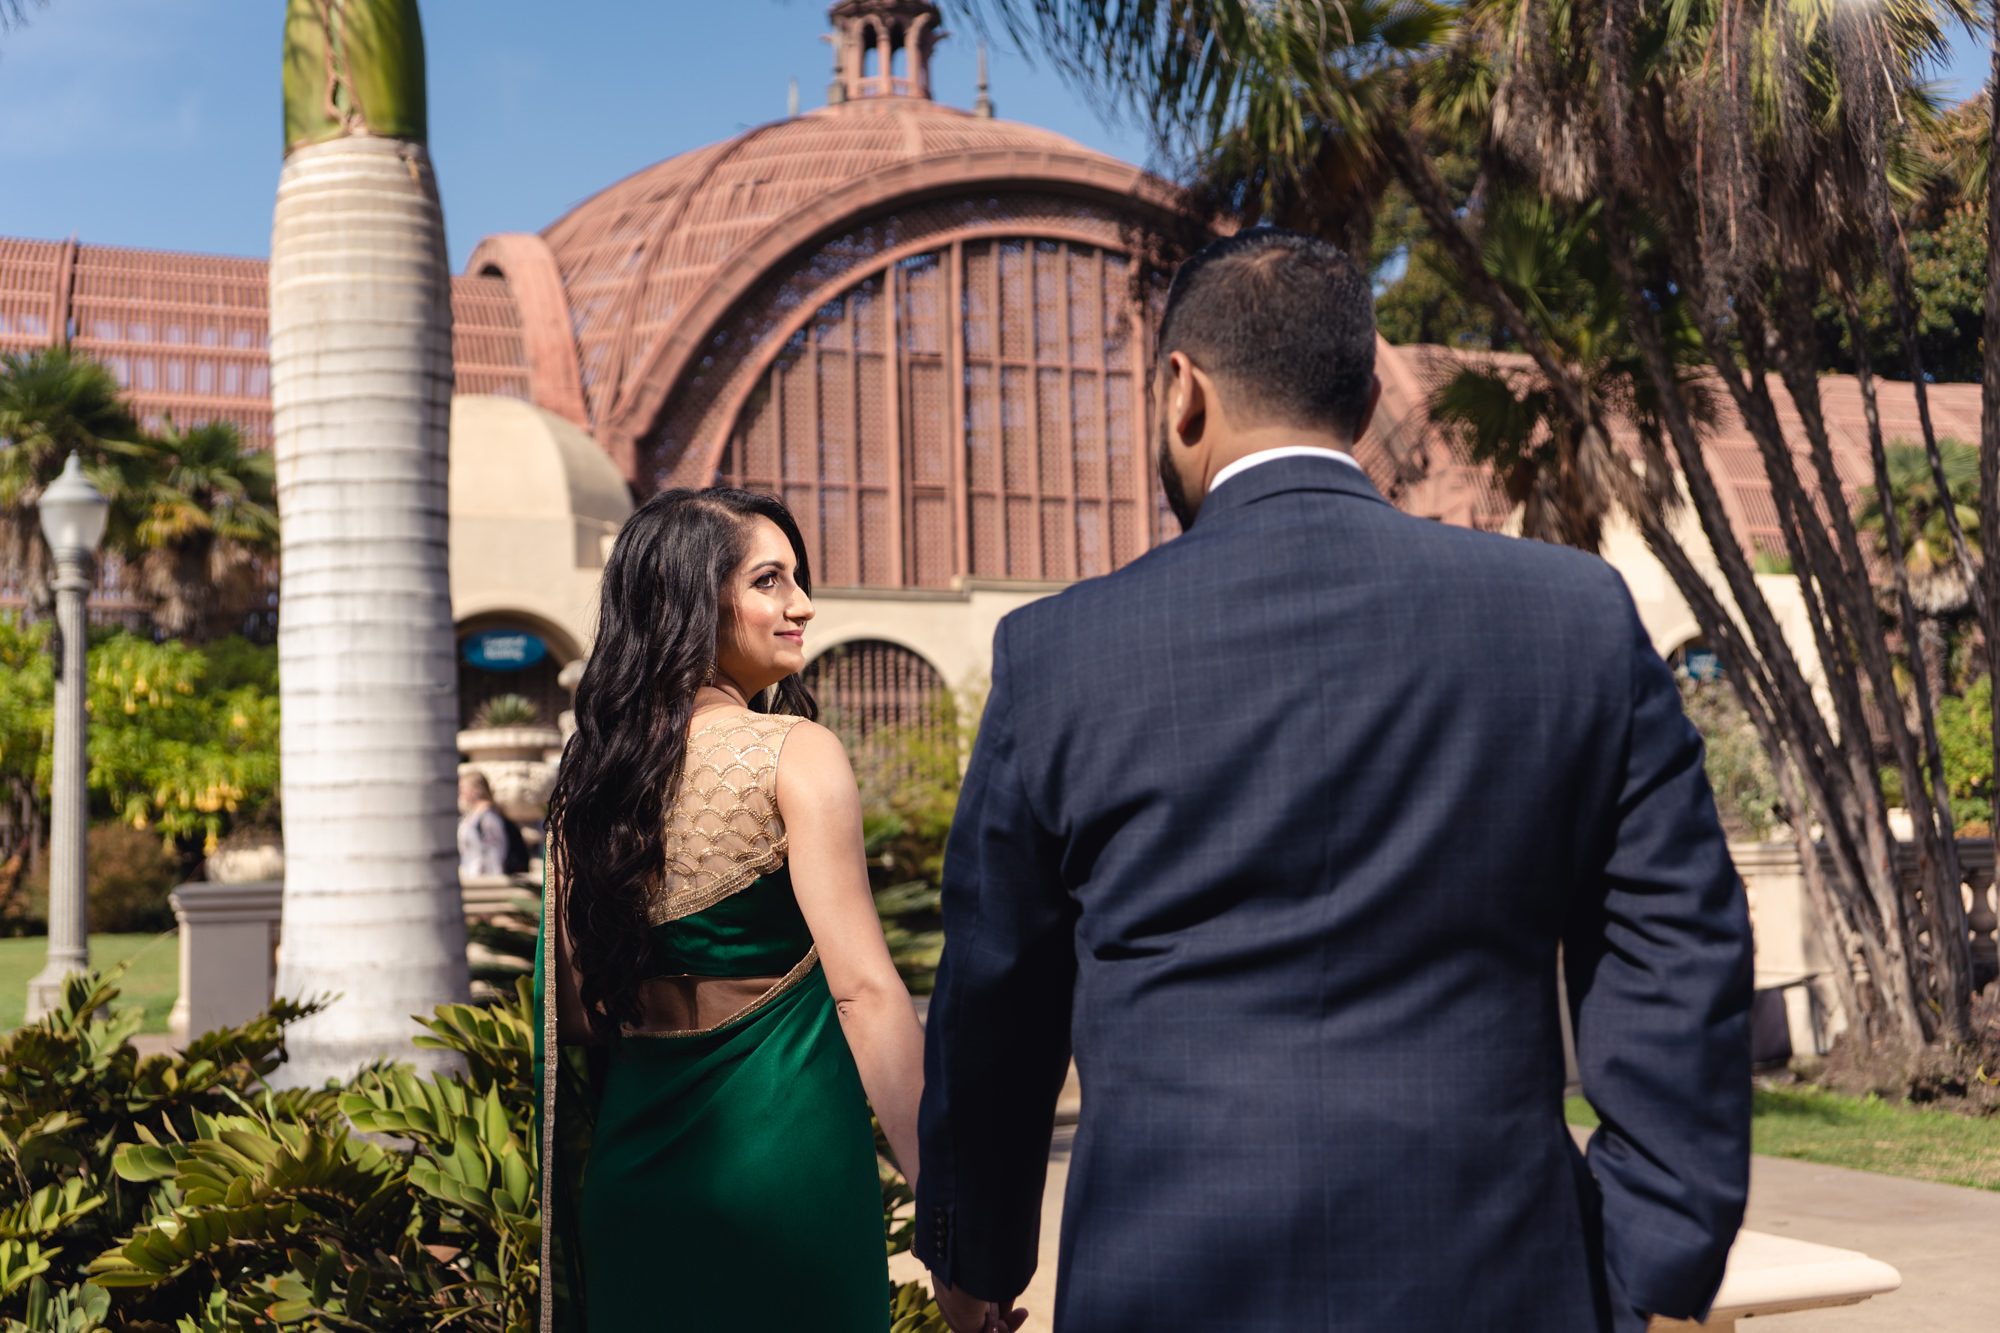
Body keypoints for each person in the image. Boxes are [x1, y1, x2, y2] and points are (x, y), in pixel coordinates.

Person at [915, 228, 1754, 1333]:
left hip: (1165, 1285)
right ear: (1363, 400)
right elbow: (1680, 952)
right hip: (1501, 1282)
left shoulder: (1058, 656)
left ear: (1181, 393)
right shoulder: (1571, 618)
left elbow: (996, 1011)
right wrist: (1651, 1263)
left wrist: (974, 1271)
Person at [534, 488, 926, 1333]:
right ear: (693, 599)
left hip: (635, 1166)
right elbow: (863, 992)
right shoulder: (795, 753)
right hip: (780, 1153)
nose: (803, 605)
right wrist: (946, 1202)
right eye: (770, 581)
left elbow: (575, 1011)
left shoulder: (593, 778)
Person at [456, 772, 508, 876]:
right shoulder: (470, 815)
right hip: (469, 872)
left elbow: (497, 849)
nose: (461, 792)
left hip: (485, 874)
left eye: (464, 788)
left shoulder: (488, 816)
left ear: (476, 790)